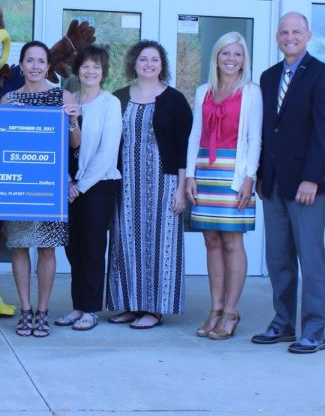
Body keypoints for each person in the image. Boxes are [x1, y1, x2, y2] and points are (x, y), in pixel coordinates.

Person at [252, 12, 325, 354]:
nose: (289, 36)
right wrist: (261, 174)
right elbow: (265, 131)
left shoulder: (323, 75)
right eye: (284, 32)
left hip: (308, 185)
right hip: (273, 183)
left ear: (308, 35)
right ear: (277, 38)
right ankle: (283, 322)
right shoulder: (268, 76)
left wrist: (311, 179)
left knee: (310, 257)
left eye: (296, 31)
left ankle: (314, 330)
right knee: (278, 257)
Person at [107, 40, 192, 329]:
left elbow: (183, 148)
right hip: (126, 183)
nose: (148, 64)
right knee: (125, 243)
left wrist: (182, 188)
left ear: (162, 64)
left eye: (154, 60)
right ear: (134, 63)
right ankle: (130, 304)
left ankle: (154, 309)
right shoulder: (118, 97)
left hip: (164, 181)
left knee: (159, 245)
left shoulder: (175, 100)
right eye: (143, 59)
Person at [184, 32, 262, 340]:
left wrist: (249, 177)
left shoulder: (251, 92)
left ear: (244, 60)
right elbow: (195, 136)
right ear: (216, 57)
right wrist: (190, 175)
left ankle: (231, 312)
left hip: (234, 172)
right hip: (206, 170)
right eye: (226, 54)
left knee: (232, 242)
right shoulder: (204, 90)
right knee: (211, 242)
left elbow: (255, 138)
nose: (231, 59)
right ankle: (215, 309)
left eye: (237, 54)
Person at [1, 41, 81, 338]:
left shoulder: (62, 95)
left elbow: (75, 144)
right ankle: (25, 311)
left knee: (47, 249)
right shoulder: (8, 100)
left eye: (41, 61)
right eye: (29, 60)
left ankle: (43, 311)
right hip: (19, 185)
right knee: (20, 248)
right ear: (20, 65)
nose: (35, 66)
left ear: (49, 66)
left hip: (50, 185)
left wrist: (72, 120)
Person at [54, 45, 121, 332]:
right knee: (73, 249)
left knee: (93, 248)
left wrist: (80, 185)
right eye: (86, 66)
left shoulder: (110, 103)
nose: (91, 71)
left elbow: (108, 152)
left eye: (96, 66)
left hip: (98, 185)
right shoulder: (70, 100)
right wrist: (68, 181)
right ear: (77, 70)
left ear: (103, 72)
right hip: (71, 185)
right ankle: (78, 305)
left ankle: (91, 309)